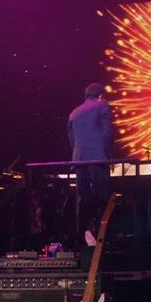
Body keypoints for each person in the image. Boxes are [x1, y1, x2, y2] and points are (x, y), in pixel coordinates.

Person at [67, 82, 113, 236]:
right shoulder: (102, 106)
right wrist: (107, 157)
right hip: (98, 158)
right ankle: (103, 236)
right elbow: (107, 134)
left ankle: (81, 237)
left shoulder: (74, 112)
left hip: (79, 159)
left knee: (83, 200)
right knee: (102, 198)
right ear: (100, 95)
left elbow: (72, 140)